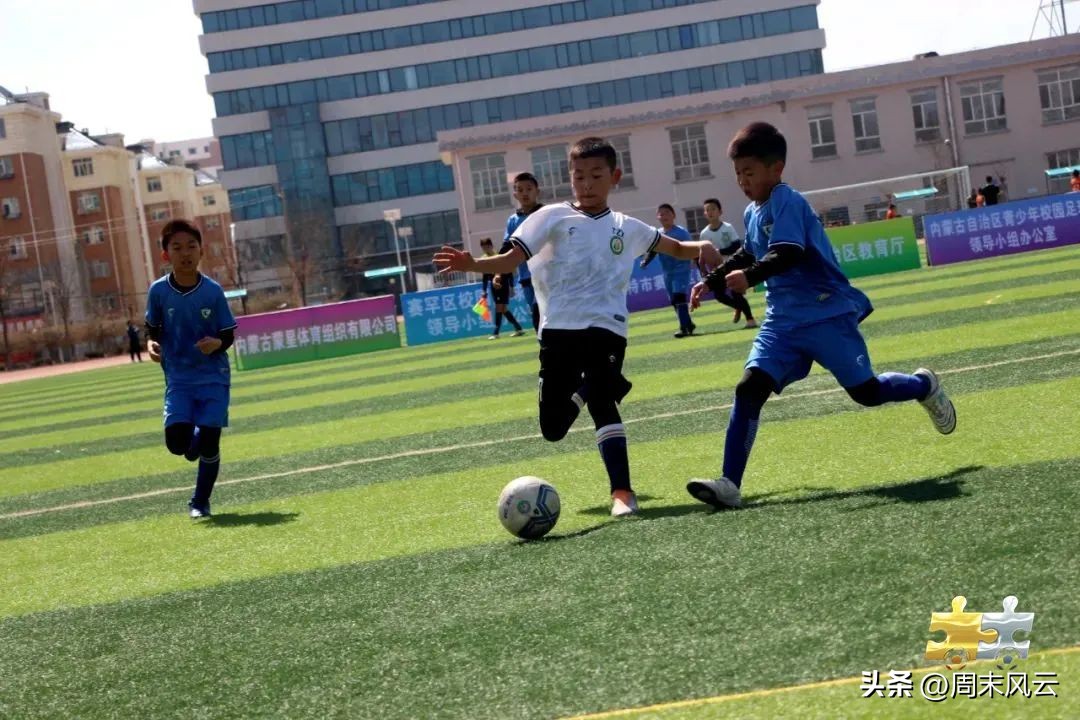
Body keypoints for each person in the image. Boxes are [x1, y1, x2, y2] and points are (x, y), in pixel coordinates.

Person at [434, 137, 720, 517]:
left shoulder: (626, 227)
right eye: (579, 176)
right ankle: (597, 382)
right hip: (558, 331)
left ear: (614, 177)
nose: (586, 184)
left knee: (604, 403)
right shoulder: (549, 217)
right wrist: (473, 264)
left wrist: (702, 246)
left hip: (607, 327)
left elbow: (676, 248)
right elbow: (508, 261)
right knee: (553, 428)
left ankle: (622, 493)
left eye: (595, 175)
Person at [684, 122, 957, 511]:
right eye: (738, 174)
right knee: (749, 389)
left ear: (775, 169)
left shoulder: (788, 201)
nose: (743, 181)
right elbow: (750, 251)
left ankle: (922, 386)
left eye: (750, 172)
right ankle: (729, 483)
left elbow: (788, 252)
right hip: (781, 322)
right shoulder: (751, 210)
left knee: (867, 393)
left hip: (825, 312)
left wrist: (751, 276)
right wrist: (711, 280)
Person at [145, 219, 237, 519]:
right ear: (165, 255)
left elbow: (228, 334)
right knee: (177, 445)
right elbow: (153, 330)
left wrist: (216, 344)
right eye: (177, 247)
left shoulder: (212, 291)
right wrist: (151, 346)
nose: (185, 253)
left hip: (213, 377)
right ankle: (194, 435)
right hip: (179, 378)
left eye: (191, 246)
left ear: (201, 252)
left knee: (209, 443)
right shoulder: (158, 292)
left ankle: (200, 501)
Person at [699, 198, 757, 329]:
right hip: (717, 269)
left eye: (713, 209)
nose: (710, 212)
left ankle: (750, 320)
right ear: (704, 214)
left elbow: (736, 246)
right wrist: (704, 271)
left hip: (732, 265)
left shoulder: (727, 227)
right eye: (707, 210)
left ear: (720, 211)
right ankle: (738, 307)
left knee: (736, 292)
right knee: (719, 295)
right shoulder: (704, 234)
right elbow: (702, 254)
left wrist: (719, 251)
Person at [504, 172, 543, 333]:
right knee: (537, 315)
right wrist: (501, 274)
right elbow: (507, 248)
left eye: (529, 189)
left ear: (537, 191)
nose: (525, 193)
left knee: (541, 312)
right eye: (520, 190)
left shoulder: (546, 214)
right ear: (515, 194)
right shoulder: (513, 220)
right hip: (526, 277)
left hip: (547, 274)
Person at [651, 203, 696, 338]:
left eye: (666, 213)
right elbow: (653, 250)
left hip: (681, 270)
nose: (663, 216)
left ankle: (683, 328)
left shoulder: (681, 233)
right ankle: (688, 324)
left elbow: (692, 248)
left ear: (673, 216)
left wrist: (697, 263)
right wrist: (645, 261)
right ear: (657, 217)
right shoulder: (658, 234)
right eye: (661, 213)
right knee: (673, 300)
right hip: (667, 273)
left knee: (679, 297)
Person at [479, 237, 525, 339]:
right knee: (503, 309)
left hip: (502, 284)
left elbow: (508, 272)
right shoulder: (483, 259)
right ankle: (518, 328)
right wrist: (484, 290)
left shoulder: (498, 256)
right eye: (483, 248)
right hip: (493, 286)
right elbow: (485, 277)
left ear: (491, 246)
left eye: (487, 247)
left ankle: (496, 332)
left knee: (499, 307)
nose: (485, 250)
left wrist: (511, 286)